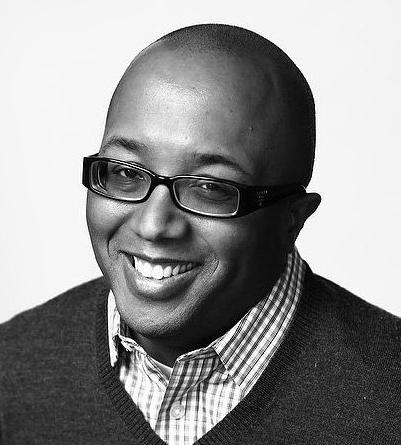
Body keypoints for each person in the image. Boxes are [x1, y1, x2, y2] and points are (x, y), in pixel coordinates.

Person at [0, 24, 400, 445]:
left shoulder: (387, 401)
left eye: (209, 187)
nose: (153, 225)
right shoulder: (13, 372)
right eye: (125, 173)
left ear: (292, 220)